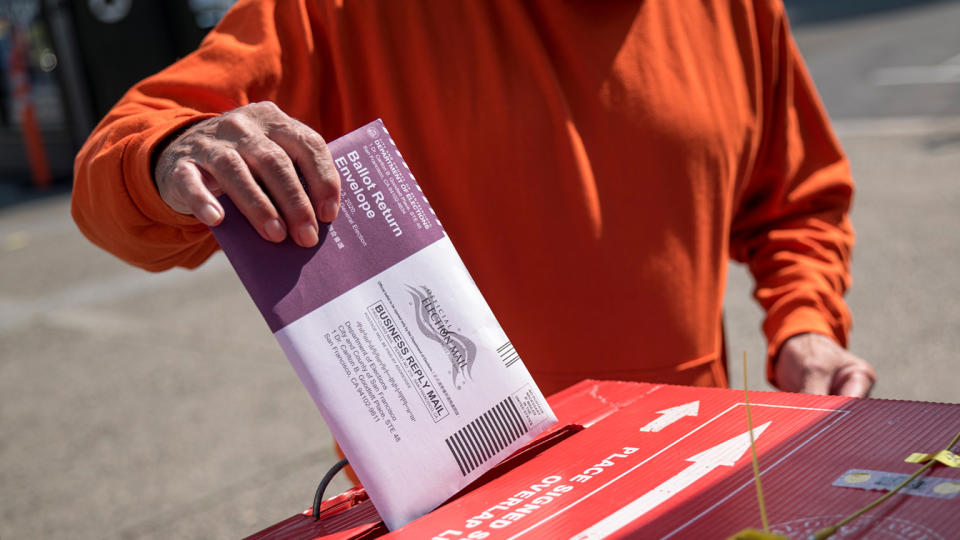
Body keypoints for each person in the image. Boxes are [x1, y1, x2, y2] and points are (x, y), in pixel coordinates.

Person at [72, 0, 875, 397]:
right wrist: (173, 152)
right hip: (452, 500)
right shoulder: (340, 13)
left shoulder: (732, 9)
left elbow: (796, 200)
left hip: (680, 461)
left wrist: (804, 327)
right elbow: (118, 170)